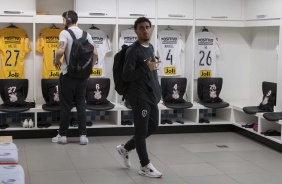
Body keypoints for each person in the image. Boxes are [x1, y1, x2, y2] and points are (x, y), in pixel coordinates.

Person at [116, 17, 162, 178]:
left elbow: (151, 71)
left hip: (151, 95)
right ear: (135, 30)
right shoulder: (132, 50)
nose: (145, 30)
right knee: (141, 131)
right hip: (138, 95)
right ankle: (145, 166)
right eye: (141, 27)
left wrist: (158, 91)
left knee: (154, 126)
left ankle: (125, 148)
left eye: (148, 27)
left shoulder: (150, 47)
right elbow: (127, 75)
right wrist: (145, 68)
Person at [51, 10, 98, 145]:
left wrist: (56, 61)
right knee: (81, 105)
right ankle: (83, 136)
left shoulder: (64, 33)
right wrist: (89, 71)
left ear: (66, 20)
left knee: (66, 106)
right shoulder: (87, 34)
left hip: (67, 75)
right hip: (83, 76)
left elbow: (60, 50)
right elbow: (95, 53)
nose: (62, 22)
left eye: (63, 20)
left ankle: (63, 136)